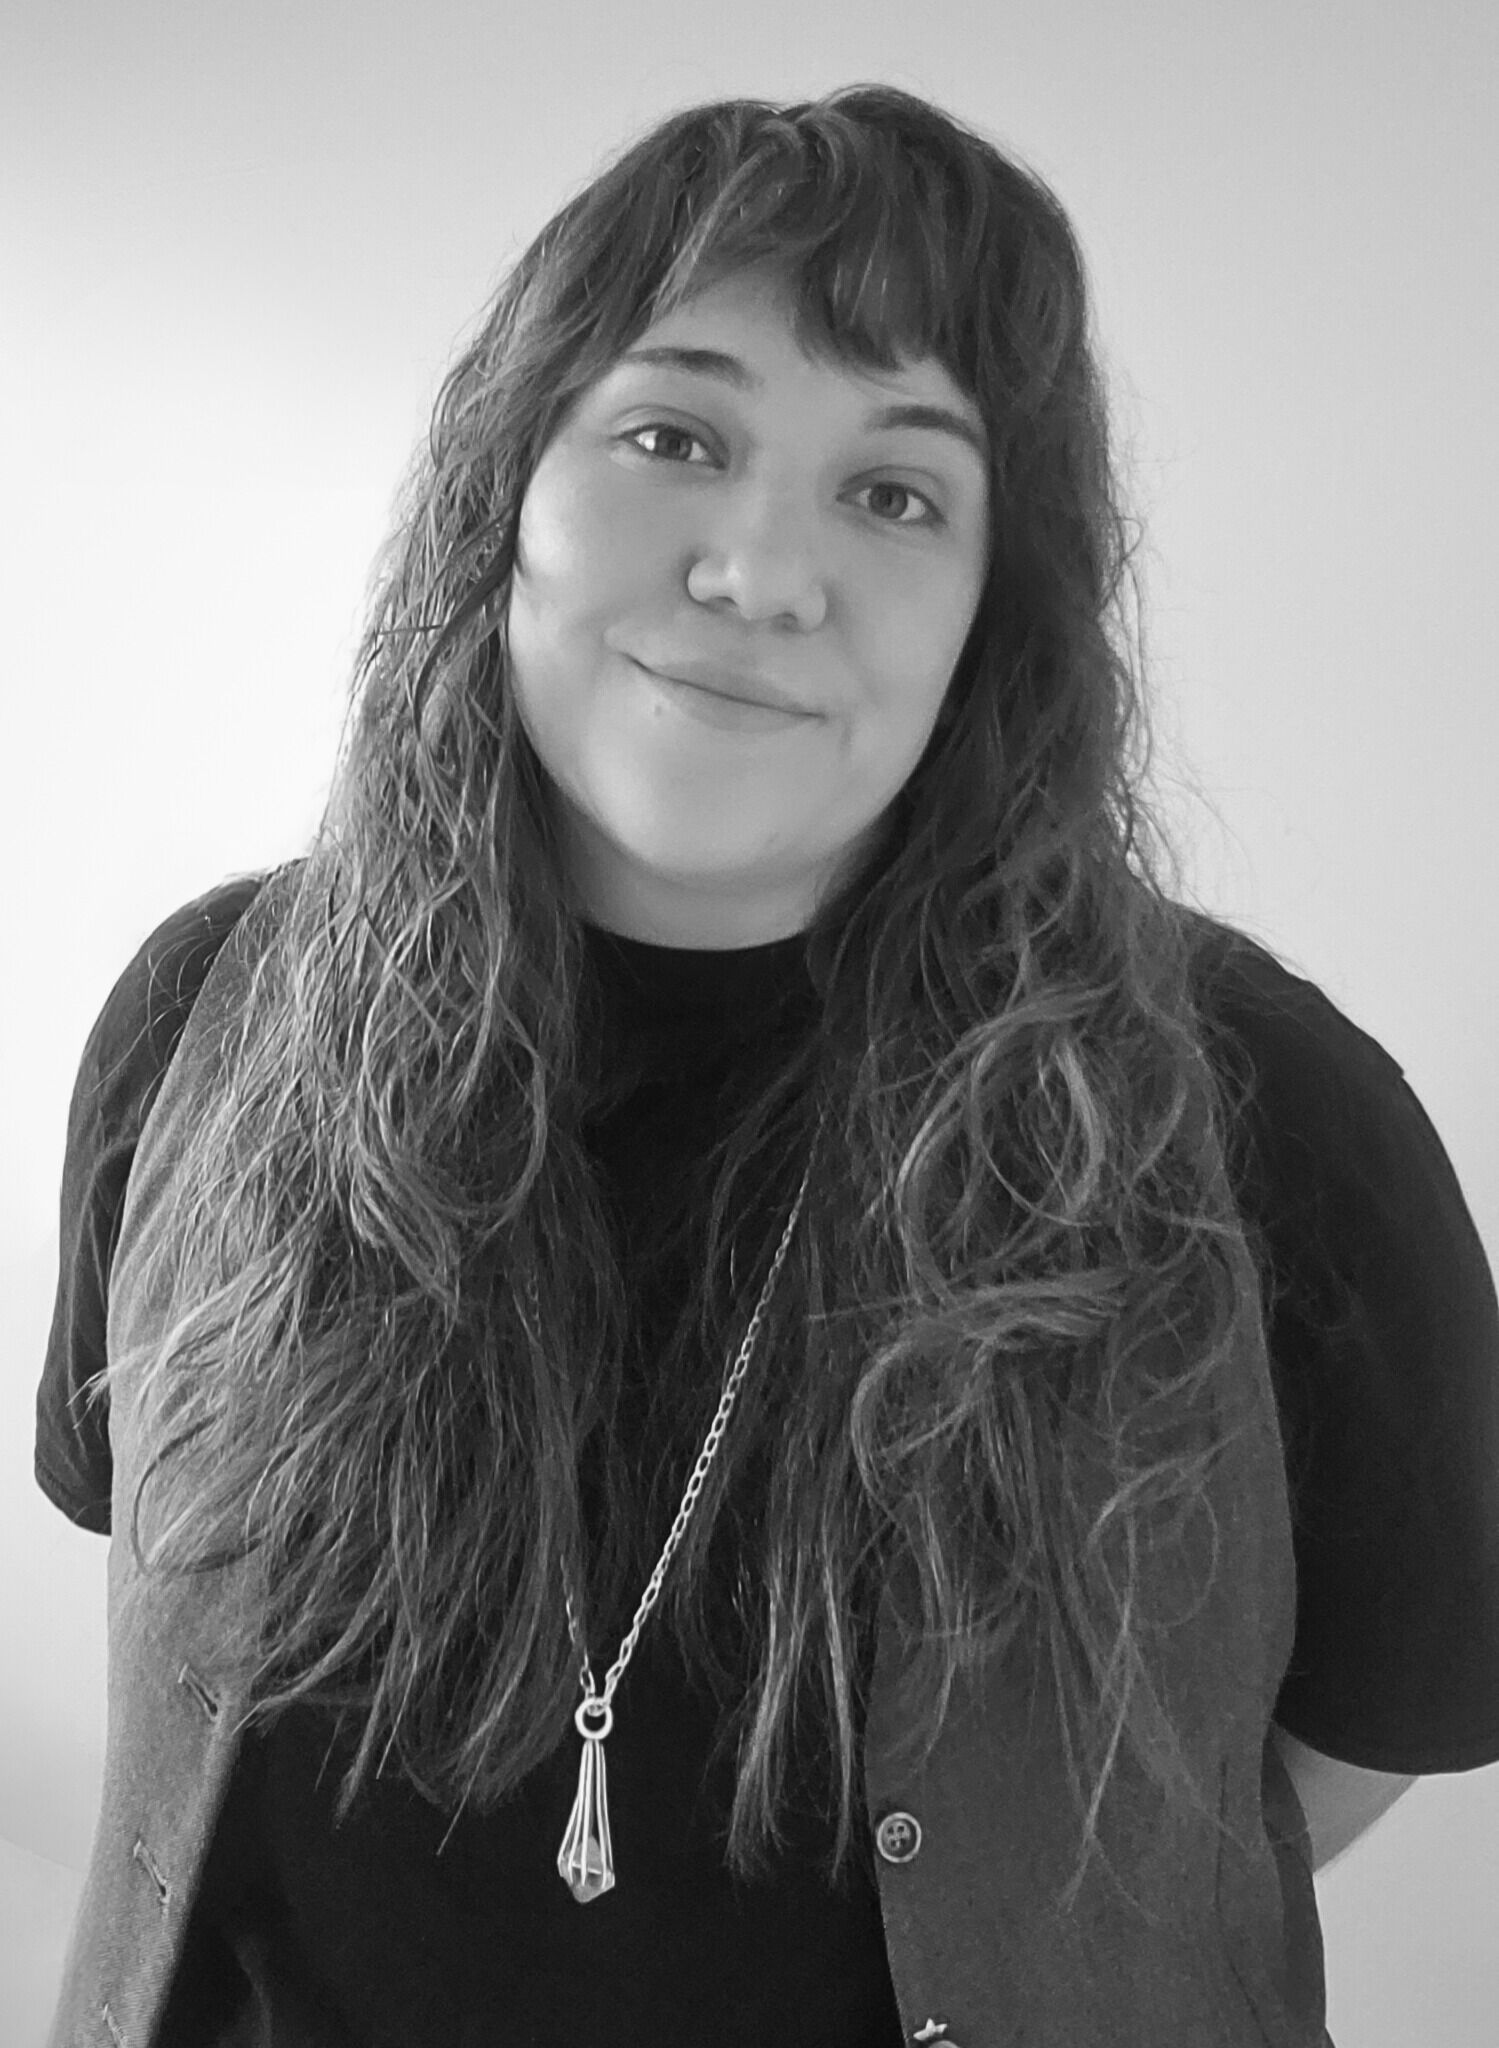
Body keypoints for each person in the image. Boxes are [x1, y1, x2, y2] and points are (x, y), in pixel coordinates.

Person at [36, 83, 1499, 2048]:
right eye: (672, 434)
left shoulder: (1260, 1112)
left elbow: (1322, 1759)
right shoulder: (198, 1015)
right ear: (507, 487)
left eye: (894, 491)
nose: (761, 564)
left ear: (997, 607)